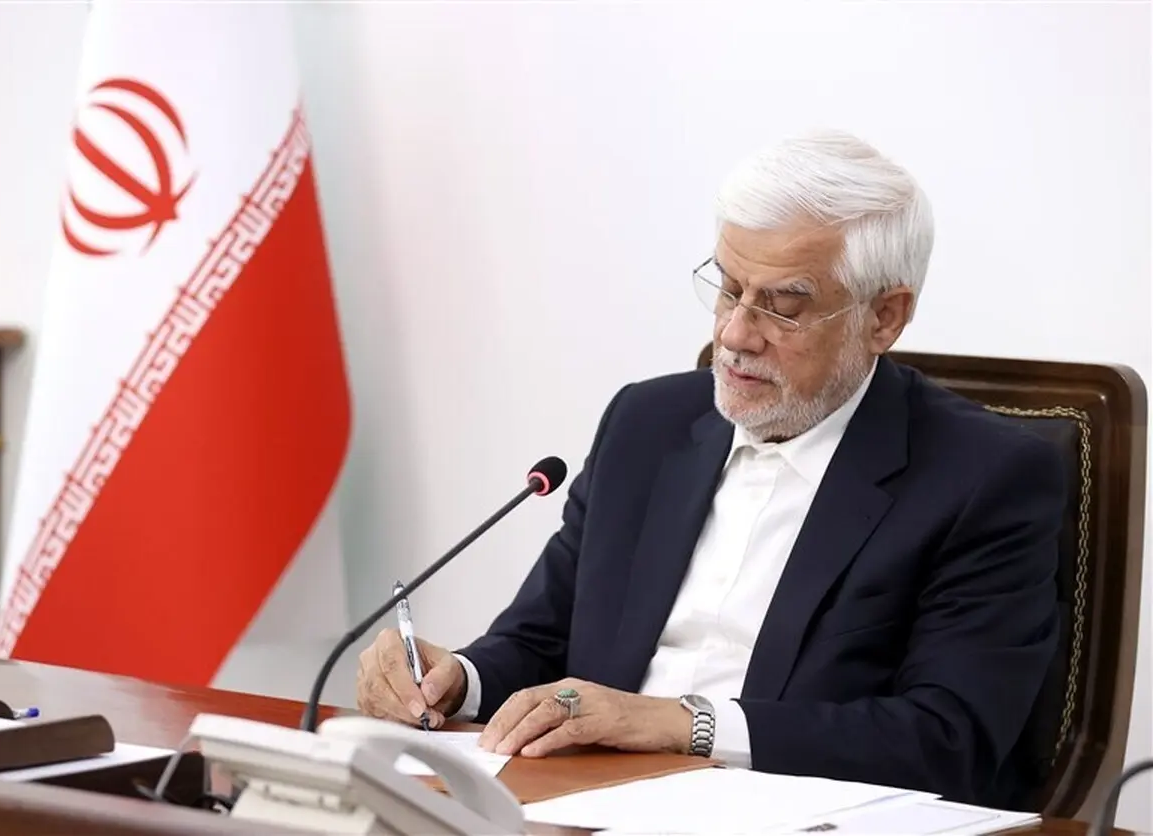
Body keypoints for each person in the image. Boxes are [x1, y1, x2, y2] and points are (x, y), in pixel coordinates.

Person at [355, 129, 1064, 808]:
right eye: (728, 288)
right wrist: (456, 681)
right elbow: (543, 640)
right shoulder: (647, 424)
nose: (733, 333)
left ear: (885, 317)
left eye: (783, 307)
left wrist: (682, 723)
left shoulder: (983, 478)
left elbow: (948, 739)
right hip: (585, 803)